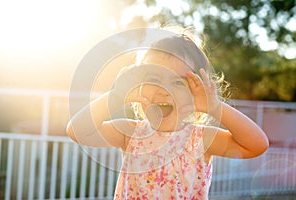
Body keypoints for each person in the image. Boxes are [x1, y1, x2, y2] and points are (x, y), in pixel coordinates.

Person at [66, 27, 269, 199]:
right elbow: (78, 130)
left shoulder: (201, 139)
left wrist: (214, 107)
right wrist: (115, 96)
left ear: (195, 92)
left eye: (177, 82)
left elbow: (257, 145)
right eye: (154, 79)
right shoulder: (131, 133)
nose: (164, 90)